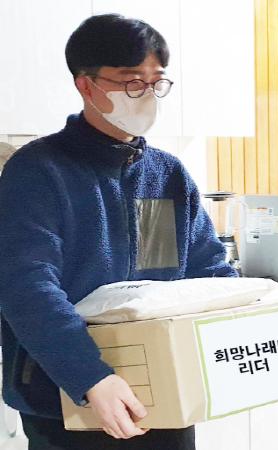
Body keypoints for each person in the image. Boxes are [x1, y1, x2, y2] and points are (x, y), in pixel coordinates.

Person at [0, 14, 237, 450]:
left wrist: (238, 333)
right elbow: (26, 286)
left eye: (156, 82)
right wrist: (91, 377)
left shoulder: (166, 174)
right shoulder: (37, 171)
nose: (146, 95)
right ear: (86, 85)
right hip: (66, 398)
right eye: (131, 82)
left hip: (164, 390)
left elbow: (208, 273)